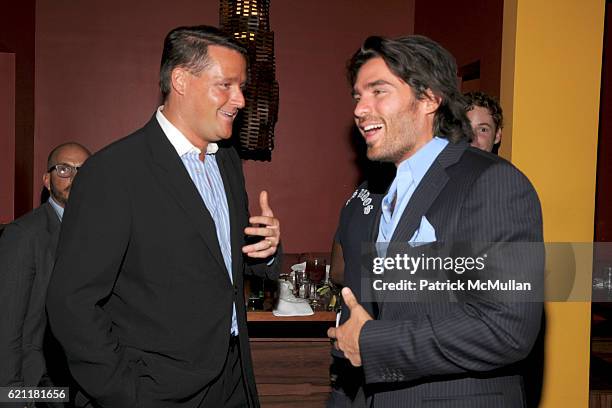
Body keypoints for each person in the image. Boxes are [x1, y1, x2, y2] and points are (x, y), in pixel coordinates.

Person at [46, 25, 281, 408]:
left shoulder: (227, 162)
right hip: (157, 390)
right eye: (227, 85)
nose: (240, 99)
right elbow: (70, 301)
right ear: (181, 81)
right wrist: (125, 391)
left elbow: (218, 263)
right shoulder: (115, 171)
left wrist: (265, 248)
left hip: (233, 379)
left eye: (242, 87)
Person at [327, 35, 543, 407]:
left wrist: (374, 343)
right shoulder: (381, 190)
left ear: (429, 99)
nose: (361, 109)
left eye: (379, 91)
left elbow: (506, 328)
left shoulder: (490, 182)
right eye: (358, 96)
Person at [0, 142, 91, 406]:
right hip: (40, 384)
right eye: (64, 170)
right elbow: (7, 326)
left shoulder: (100, 232)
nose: (74, 178)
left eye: (83, 171)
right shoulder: (24, 235)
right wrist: (12, 396)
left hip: (85, 380)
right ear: (47, 181)